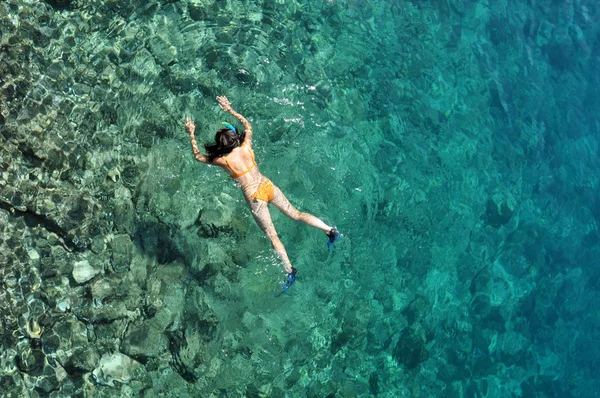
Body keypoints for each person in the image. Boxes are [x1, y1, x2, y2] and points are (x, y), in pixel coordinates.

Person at [185, 96, 339, 292]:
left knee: (272, 235)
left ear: (222, 147)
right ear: (235, 139)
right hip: (267, 185)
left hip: (255, 197)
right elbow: (247, 125)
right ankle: (329, 230)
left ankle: (290, 270)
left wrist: (191, 133)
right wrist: (230, 109)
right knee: (296, 214)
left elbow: (198, 156)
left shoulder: (224, 162)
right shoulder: (246, 147)